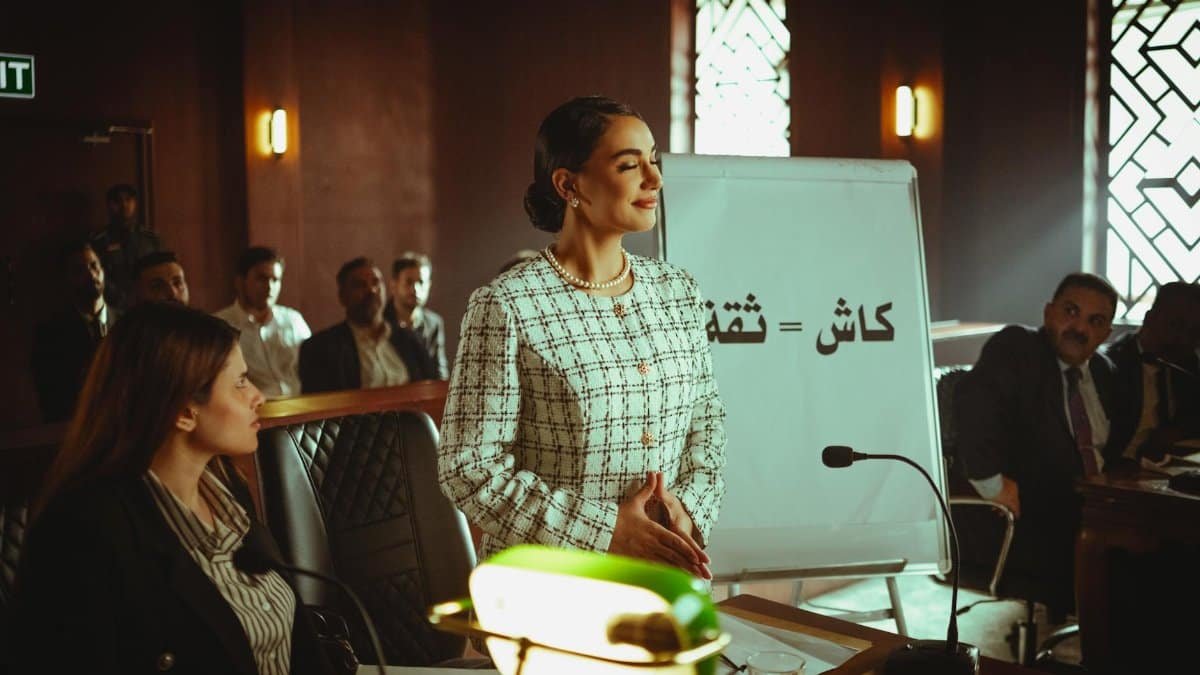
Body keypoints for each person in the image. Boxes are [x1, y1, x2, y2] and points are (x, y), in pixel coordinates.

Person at [437, 96, 726, 580]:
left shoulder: (678, 292)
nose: (654, 179)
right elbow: (468, 468)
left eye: (653, 161)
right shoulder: (509, 305)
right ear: (568, 184)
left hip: (663, 579)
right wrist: (605, 530)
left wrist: (688, 509)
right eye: (629, 165)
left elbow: (707, 423)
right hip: (549, 591)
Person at [7, 303, 332, 675]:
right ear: (183, 411)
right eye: (241, 381)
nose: (257, 396)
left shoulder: (229, 493)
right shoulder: (81, 533)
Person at [955, 272, 1120, 619]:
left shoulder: (1105, 371)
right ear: (1048, 313)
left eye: (1095, 321)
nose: (1079, 328)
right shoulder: (1017, 349)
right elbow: (974, 407)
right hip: (1033, 511)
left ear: (1107, 333)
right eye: (1070, 312)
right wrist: (991, 483)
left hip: (1099, 504)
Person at [299, 257, 438, 393]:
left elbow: (431, 390)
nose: (371, 290)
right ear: (343, 296)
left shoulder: (411, 341)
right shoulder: (321, 349)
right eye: (360, 285)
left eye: (376, 282)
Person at [1105, 281, 1200, 464]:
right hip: (1115, 470)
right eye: (1175, 325)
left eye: (1195, 333)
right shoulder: (1111, 363)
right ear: (1149, 319)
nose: (1184, 339)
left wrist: (1175, 432)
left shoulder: (1187, 363)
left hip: (1162, 470)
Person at [30, 240, 120, 422]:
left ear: (103, 270)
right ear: (66, 279)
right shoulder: (50, 334)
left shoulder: (126, 322)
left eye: (94, 266)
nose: (90, 274)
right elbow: (50, 398)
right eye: (78, 270)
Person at [215, 247, 312, 398]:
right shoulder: (220, 325)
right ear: (240, 282)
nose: (269, 287)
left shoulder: (293, 320)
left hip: (300, 405)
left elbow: (313, 367)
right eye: (261, 279)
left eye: (275, 280)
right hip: (254, 412)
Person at [89, 183, 163, 310]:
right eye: (117, 201)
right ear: (109, 205)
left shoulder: (150, 239)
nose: (124, 205)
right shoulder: (99, 241)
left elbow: (160, 271)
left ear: (135, 203)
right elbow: (94, 274)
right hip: (113, 307)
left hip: (148, 305)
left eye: (128, 200)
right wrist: (121, 299)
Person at [384, 252, 448, 379]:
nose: (415, 289)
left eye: (421, 282)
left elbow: (440, 373)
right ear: (393, 285)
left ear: (429, 286)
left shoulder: (433, 323)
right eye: (408, 282)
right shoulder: (380, 322)